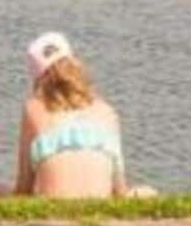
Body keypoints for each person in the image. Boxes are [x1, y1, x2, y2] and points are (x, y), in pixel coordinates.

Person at [14, 31, 137, 199]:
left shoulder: (33, 109)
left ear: (37, 78)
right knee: (147, 192)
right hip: (99, 206)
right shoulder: (107, 112)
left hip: (53, 209)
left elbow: (24, 187)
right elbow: (120, 192)